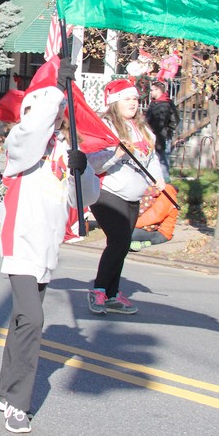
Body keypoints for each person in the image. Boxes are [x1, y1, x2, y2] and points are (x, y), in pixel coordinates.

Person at [0, 61, 101, 433]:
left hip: (48, 249)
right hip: (21, 243)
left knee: (22, 320)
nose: (54, 119)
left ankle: (3, 390)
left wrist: (82, 169)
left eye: (58, 114)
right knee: (34, 320)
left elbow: (84, 199)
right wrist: (57, 88)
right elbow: (34, 128)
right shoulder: (20, 145)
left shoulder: (64, 149)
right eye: (49, 112)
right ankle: (18, 404)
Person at [87, 79, 165, 315]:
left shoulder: (142, 128)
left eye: (135, 99)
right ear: (114, 102)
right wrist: (117, 154)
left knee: (121, 244)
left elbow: (152, 159)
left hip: (132, 197)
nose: (133, 103)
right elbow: (92, 163)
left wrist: (159, 178)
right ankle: (98, 290)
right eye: (127, 99)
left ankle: (112, 294)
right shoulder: (104, 127)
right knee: (120, 240)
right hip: (107, 193)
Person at [145, 81, 179, 181]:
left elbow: (174, 120)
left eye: (152, 90)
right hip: (152, 135)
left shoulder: (165, 104)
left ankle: (166, 181)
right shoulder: (155, 103)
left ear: (158, 90)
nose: (150, 92)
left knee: (162, 159)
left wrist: (167, 132)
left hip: (162, 137)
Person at [131, 183, 179, 249]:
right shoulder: (161, 192)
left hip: (162, 234)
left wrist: (131, 224)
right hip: (151, 229)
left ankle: (140, 243)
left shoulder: (167, 194)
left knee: (129, 233)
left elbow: (155, 216)